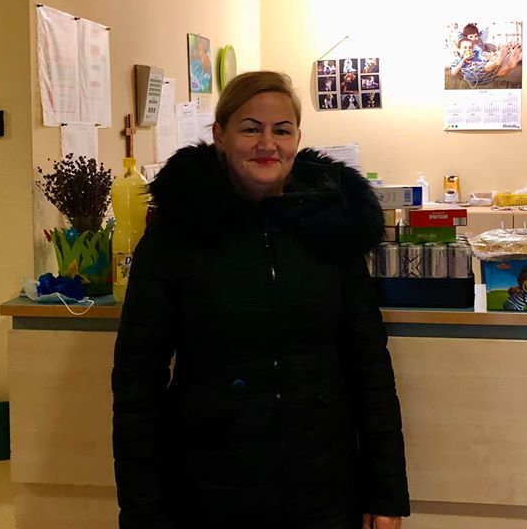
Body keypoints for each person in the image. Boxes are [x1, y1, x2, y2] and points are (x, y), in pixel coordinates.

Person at [112, 71, 410, 528]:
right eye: (251, 129)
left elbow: (368, 365)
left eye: (281, 130)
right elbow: (137, 382)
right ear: (220, 135)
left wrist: (385, 493)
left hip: (323, 490)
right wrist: (143, 512)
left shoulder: (332, 227)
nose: (267, 144)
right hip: (208, 491)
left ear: (297, 139)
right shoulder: (178, 234)